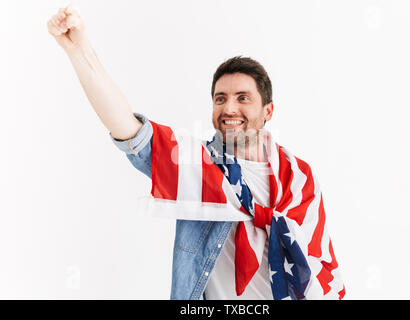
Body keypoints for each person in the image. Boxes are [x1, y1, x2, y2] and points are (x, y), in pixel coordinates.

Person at [47, 4, 345, 300]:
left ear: (268, 110)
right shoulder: (195, 165)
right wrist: (79, 50)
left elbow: (322, 263)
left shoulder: (299, 177)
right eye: (220, 98)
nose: (229, 109)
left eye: (243, 98)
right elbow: (128, 128)